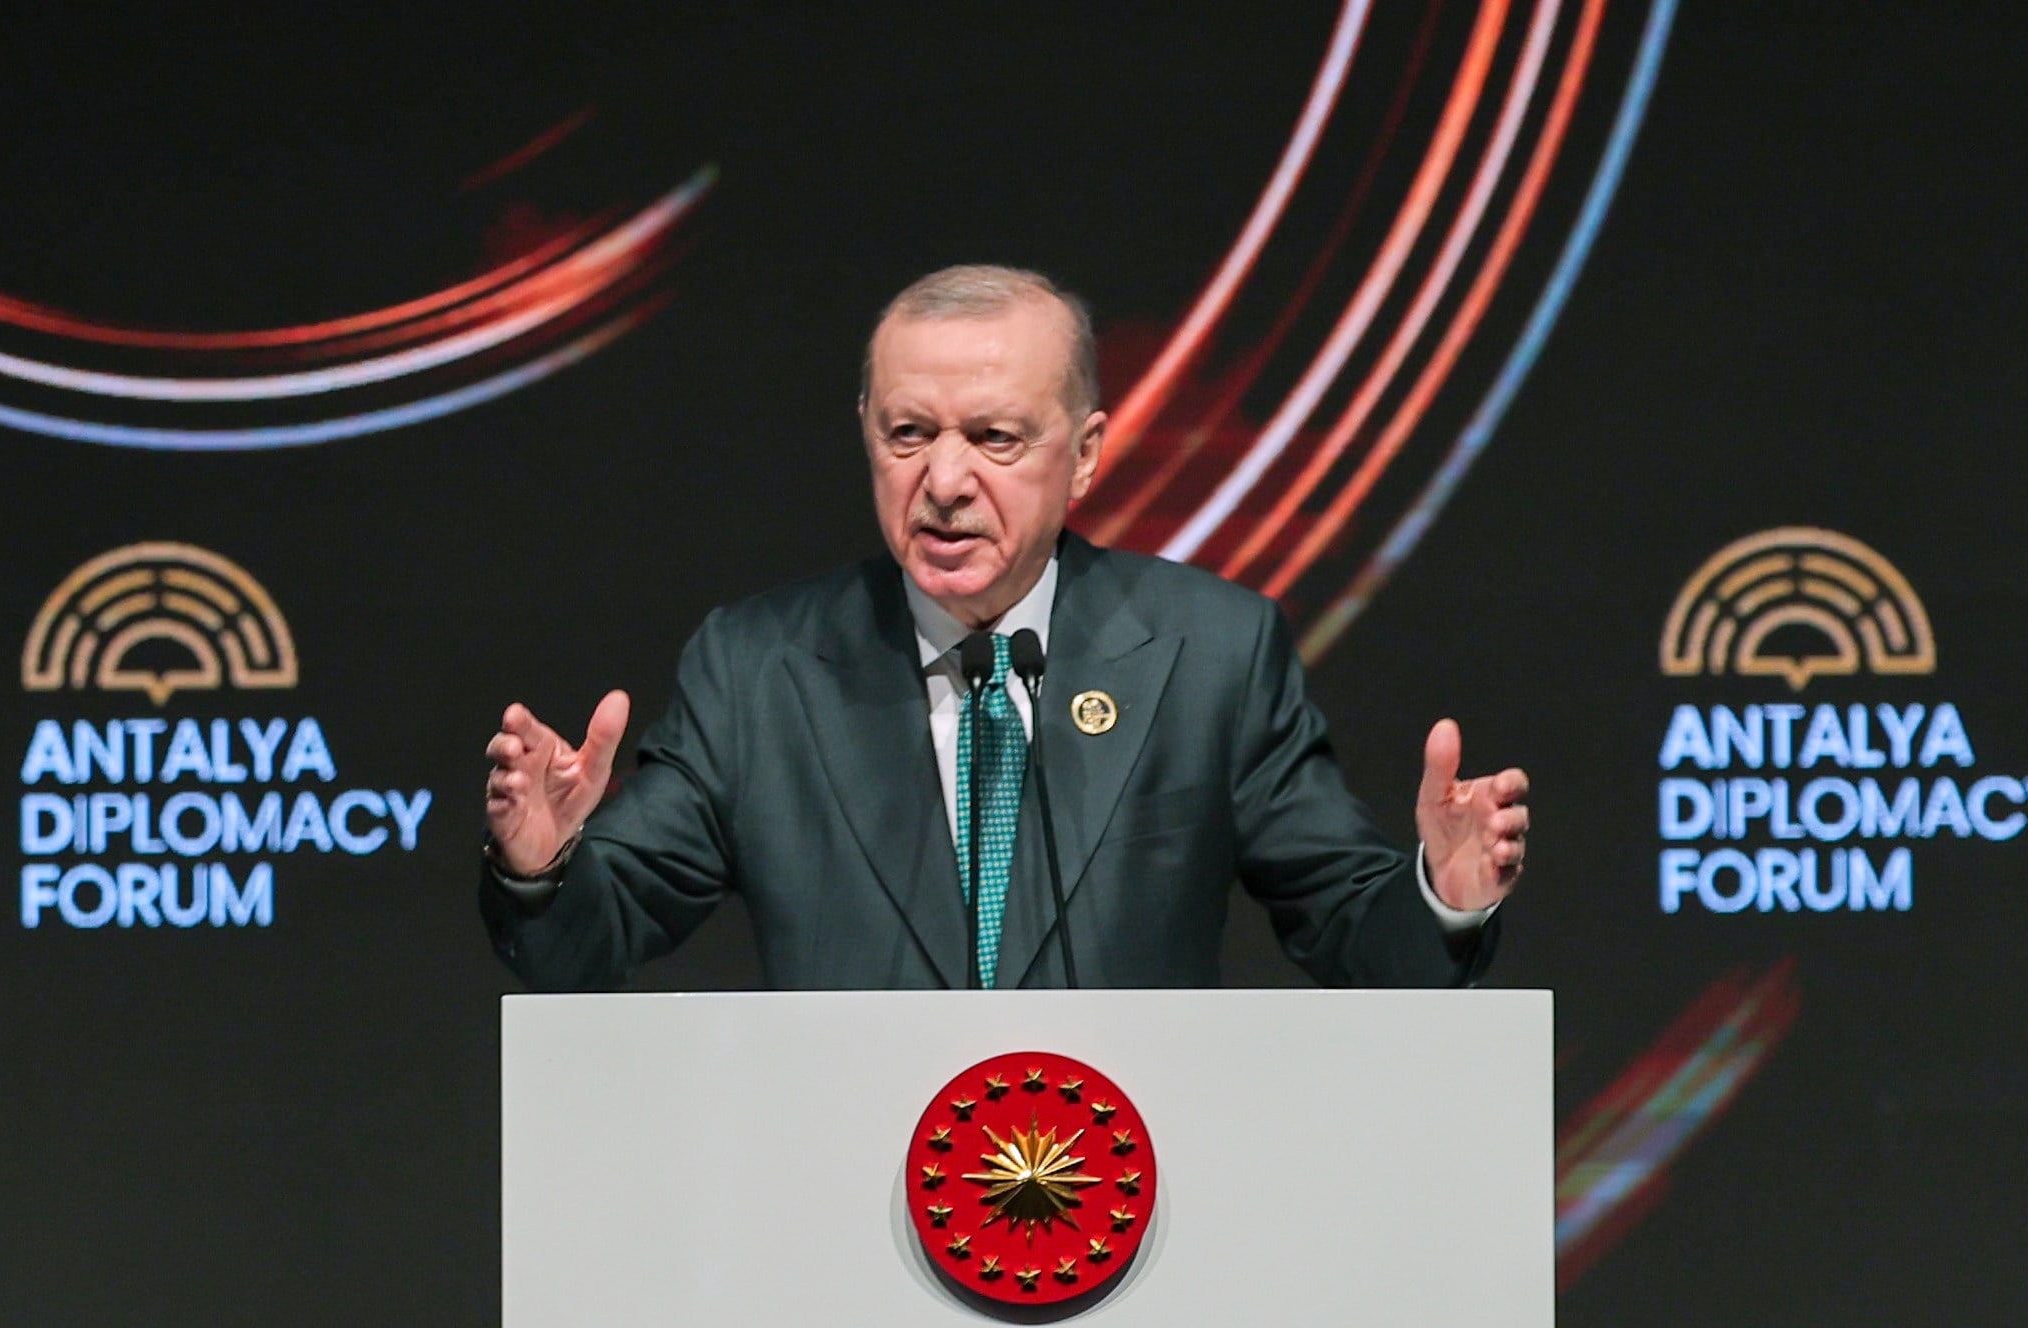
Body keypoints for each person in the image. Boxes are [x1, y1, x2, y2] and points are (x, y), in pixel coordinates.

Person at [481, 264, 1529, 990]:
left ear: (1083, 454)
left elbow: (1358, 936)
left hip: (1131, 1239)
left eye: (992, 437)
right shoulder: (759, 671)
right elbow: (586, 944)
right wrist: (543, 869)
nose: (943, 481)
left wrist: (1444, 892)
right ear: (866, 436)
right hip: (846, 1233)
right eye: (908, 434)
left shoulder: (1212, 656)